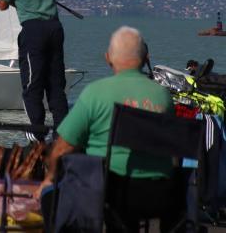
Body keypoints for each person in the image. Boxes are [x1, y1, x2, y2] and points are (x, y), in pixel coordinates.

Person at [37, 27, 175, 223]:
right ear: (145, 58)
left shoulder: (96, 93)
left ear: (108, 58)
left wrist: (48, 179)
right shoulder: (163, 96)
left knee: (50, 194)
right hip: (160, 194)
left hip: (112, 192)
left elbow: (62, 148)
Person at [0, 0, 68, 136]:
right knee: (56, 85)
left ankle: (36, 136)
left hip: (33, 31)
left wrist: (17, 1)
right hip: (55, 28)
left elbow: (2, 5)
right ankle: (62, 136)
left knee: (32, 84)